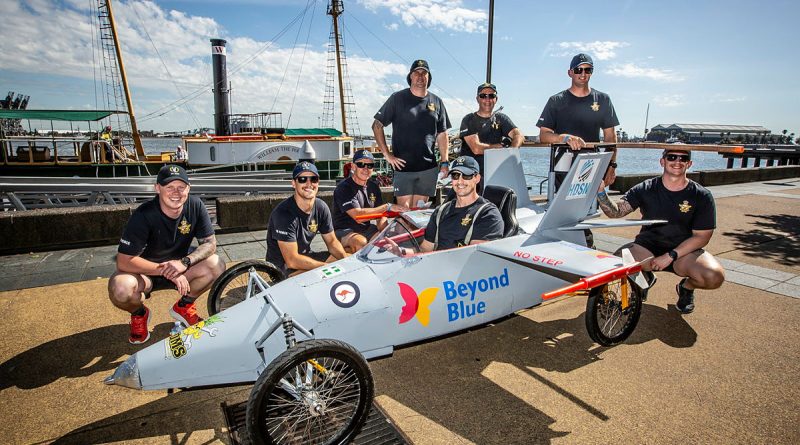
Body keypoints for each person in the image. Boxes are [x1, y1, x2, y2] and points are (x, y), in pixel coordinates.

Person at [595, 148, 726, 314]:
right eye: (671, 157)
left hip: (684, 253)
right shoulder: (646, 188)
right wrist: (600, 191)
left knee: (714, 277)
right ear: (662, 161)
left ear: (689, 164)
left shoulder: (701, 195)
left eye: (683, 158)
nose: (677, 161)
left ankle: (686, 288)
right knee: (613, 266)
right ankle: (644, 277)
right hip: (647, 247)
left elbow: (702, 237)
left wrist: (670, 255)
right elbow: (616, 212)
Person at [108, 164, 226, 344]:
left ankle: (184, 306)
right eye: (169, 187)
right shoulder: (143, 215)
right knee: (121, 288)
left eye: (181, 187)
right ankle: (139, 313)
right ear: (158, 188)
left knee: (217, 264)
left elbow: (210, 244)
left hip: (180, 268)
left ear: (188, 188)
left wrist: (185, 262)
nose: (176, 192)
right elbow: (124, 262)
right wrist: (167, 270)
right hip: (145, 274)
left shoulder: (195, 206)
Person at [372, 59, 451, 209]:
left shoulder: (437, 101)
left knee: (419, 211)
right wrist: (387, 155)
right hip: (403, 169)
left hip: (428, 168)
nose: (420, 77)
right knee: (404, 212)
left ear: (429, 77)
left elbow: (442, 134)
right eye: (416, 73)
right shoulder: (397, 98)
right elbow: (377, 125)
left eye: (424, 73)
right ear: (411, 77)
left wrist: (445, 162)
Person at [537, 53, 619, 190]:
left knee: (591, 207)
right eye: (578, 70)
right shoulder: (556, 101)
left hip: (592, 161)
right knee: (561, 206)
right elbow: (543, 135)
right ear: (570, 73)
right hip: (564, 161)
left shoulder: (603, 100)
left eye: (588, 70)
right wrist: (565, 138)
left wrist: (612, 166)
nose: (583, 74)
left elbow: (610, 137)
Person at [266, 161, 348, 276]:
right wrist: (325, 268)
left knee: (348, 256)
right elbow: (292, 260)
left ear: (318, 182)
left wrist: (346, 261)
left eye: (313, 179)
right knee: (322, 274)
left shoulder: (321, 207)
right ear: (294, 183)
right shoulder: (283, 213)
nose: (309, 183)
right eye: (302, 179)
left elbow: (332, 241)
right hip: (283, 267)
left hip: (306, 255)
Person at [419, 156, 504, 252]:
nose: (460, 181)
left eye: (466, 176)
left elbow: (474, 258)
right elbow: (425, 249)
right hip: (434, 263)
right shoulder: (440, 211)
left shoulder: (488, 214)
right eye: (455, 175)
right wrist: (401, 251)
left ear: (477, 178)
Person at [333, 150, 410, 252]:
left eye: (369, 165)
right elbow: (358, 216)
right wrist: (387, 207)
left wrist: (386, 233)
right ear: (353, 166)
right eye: (361, 164)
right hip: (343, 231)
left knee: (392, 242)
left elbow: (380, 217)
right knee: (360, 242)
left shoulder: (373, 187)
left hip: (366, 229)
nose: (366, 168)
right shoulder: (344, 188)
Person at [459, 82, 524, 191]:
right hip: (470, 176)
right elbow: (476, 149)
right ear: (477, 99)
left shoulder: (501, 119)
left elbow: (519, 135)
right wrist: (502, 146)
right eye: (483, 96)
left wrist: (512, 150)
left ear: (496, 99)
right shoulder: (468, 119)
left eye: (491, 96)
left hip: (494, 174)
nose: (487, 99)